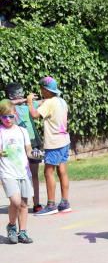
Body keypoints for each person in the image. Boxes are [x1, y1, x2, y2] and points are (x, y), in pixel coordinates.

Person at [27, 76, 71, 216]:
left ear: (46, 90)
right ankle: (64, 203)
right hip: (64, 140)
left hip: (53, 143)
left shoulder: (49, 103)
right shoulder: (61, 101)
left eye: (42, 89)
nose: (40, 91)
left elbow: (34, 115)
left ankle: (51, 205)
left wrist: (29, 102)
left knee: (48, 172)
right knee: (62, 170)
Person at [4, 83, 42, 212]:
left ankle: (36, 203)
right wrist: (26, 99)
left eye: (22, 92)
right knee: (20, 175)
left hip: (33, 142)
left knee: (34, 174)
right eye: (18, 93)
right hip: (18, 145)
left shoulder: (28, 106)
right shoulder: (9, 107)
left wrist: (52, 98)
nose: (21, 94)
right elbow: (8, 102)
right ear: (10, 96)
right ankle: (20, 202)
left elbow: (43, 102)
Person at [0, 99, 33, 243]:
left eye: (10, 116)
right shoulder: (0, 132)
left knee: (24, 204)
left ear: (15, 115)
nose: (7, 119)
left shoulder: (22, 131)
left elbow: (29, 150)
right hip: (7, 172)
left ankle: (23, 232)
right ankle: (12, 226)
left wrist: (34, 154)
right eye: (4, 117)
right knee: (16, 201)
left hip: (23, 172)